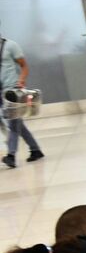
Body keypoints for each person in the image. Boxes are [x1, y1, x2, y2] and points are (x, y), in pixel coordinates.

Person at [0, 28, 42, 168]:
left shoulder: (10, 45)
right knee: (18, 124)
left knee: (13, 123)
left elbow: (24, 65)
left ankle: (11, 156)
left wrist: (22, 80)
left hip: (12, 90)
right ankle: (35, 150)